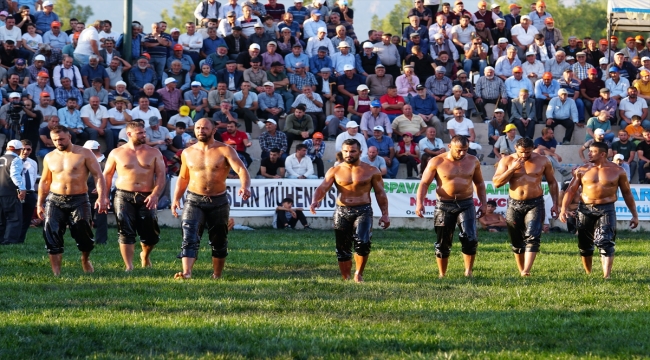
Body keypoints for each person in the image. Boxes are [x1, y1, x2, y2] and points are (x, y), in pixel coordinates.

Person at [171, 118, 251, 280]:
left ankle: (217, 274)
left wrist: (245, 186)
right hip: (194, 199)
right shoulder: (187, 152)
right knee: (189, 235)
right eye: (198, 128)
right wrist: (176, 198)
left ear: (214, 130)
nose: (201, 131)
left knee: (219, 239)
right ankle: (187, 273)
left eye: (205, 128)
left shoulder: (225, 150)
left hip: (218, 200)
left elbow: (241, 170)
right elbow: (183, 177)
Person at [310, 139, 389, 282]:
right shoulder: (335, 170)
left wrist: (385, 214)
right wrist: (316, 200)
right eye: (346, 151)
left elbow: (380, 193)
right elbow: (322, 187)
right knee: (342, 247)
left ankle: (358, 274)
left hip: (363, 209)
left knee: (363, 242)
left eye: (352, 151)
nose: (349, 154)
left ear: (360, 152)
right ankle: (345, 277)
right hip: (342, 210)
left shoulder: (371, 170)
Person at [559, 142, 638, 279]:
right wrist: (563, 209)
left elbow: (627, 193)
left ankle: (606, 276)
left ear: (602, 154)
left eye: (592, 151)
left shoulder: (618, 171)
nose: (588, 154)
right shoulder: (582, 169)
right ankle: (588, 273)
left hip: (606, 209)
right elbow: (570, 190)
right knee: (584, 244)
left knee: (606, 241)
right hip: (585, 208)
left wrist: (634, 215)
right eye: (589, 151)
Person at [37, 125, 108, 276]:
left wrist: (102, 197)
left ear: (69, 136)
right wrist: (39, 203)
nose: (58, 142)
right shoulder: (49, 157)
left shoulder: (84, 153)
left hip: (79, 198)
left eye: (61, 139)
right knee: (51, 233)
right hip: (55, 199)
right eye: (55, 140)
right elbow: (44, 181)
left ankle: (85, 259)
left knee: (84, 235)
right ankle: (56, 273)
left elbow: (98, 175)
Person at [415, 135, 487, 277]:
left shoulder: (473, 161)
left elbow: (479, 183)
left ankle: (468, 271)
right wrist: (419, 202)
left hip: (466, 203)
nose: (462, 153)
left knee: (470, 238)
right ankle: (442, 274)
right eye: (459, 150)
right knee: (443, 242)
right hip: (444, 204)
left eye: (465, 150)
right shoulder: (437, 161)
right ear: (450, 146)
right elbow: (424, 183)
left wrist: (483, 203)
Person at [103, 121, 165, 271]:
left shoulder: (154, 152)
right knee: (125, 230)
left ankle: (145, 255)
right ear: (129, 134)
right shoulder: (116, 153)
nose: (144, 135)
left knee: (150, 234)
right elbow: (107, 175)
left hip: (147, 195)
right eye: (140, 133)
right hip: (123, 194)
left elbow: (161, 175)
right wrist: (103, 196)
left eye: (144, 132)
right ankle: (129, 266)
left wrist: (155, 194)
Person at [492, 137, 559, 276]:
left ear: (532, 149)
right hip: (514, 203)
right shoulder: (506, 161)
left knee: (533, 236)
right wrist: (512, 169)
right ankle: (521, 269)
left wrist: (555, 204)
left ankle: (526, 271)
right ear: (516, 148)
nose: (524, 155)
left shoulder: (542, 160)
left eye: (528, 152)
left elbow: (552, 182)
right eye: (522, 152)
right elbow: (497, 183)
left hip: (535, 202)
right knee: (516, 240)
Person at [0, 140, 26, 245]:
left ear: (7, 148)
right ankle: (10, 241)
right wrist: (22, 188)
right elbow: (15, 175)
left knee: (1, 219)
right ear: (19, 150)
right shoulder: (15, 159)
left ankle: (1, 239)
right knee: (14, 218)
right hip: (10, 192)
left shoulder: (1, 158)